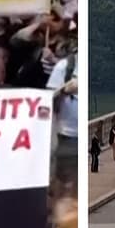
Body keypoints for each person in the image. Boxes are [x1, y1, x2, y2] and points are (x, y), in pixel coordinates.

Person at [46, 49, 77, 194]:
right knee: (65, 187)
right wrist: (64, 90)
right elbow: (47, 104)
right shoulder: (64, 67)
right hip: (67, 136)